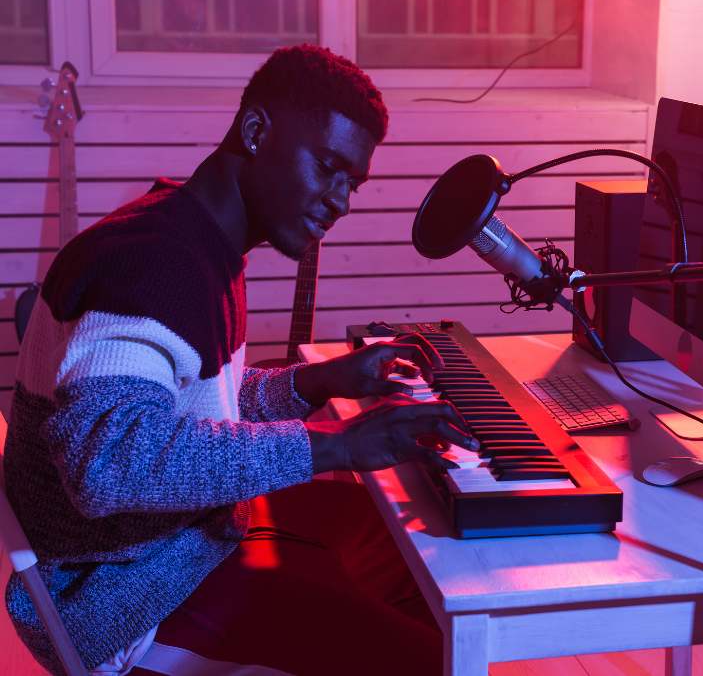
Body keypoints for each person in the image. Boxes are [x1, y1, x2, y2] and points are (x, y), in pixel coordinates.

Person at [3, 45, 479, 676]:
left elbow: (190, 405)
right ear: (256, 132)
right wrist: (335, 444)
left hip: (192, 543)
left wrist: (320, 380)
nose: (340, 201)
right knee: (429, 661)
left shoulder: (201, 238)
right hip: (123, 605)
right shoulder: (151, 268)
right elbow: (110, 464)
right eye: (328, 167)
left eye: (352, 183)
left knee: (429, 557)